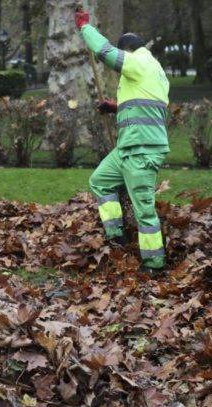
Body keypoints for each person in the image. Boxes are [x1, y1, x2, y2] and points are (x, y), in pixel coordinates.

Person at [75, 10, 169, 274]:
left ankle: (154, 264)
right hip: (127, 148)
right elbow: (147, 105)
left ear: (128, 50)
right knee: (100, 181)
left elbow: (104, 51)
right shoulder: (156, 72)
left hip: (141, 151)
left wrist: (85, 27)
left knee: (144, 211)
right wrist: (115, 107)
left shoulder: (139, 62)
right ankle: (116, 237)